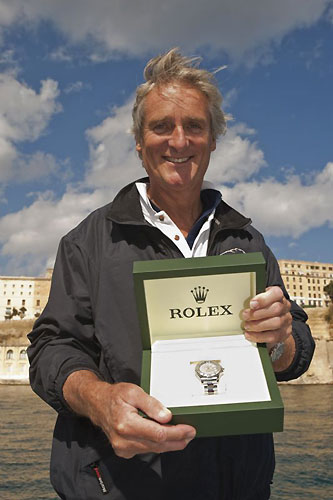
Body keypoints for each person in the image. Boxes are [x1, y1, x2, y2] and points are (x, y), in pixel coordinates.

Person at [28, 48, 315, 500]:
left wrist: (279, 341)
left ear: (213, 140)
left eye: (194, 126)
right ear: (139, 142)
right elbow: (51, 348)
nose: (178, 141)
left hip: (238, 486)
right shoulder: (86, 242)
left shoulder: (249, 241)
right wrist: (100, 402)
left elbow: (295, 344)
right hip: (118, 485)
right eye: (161, 126)